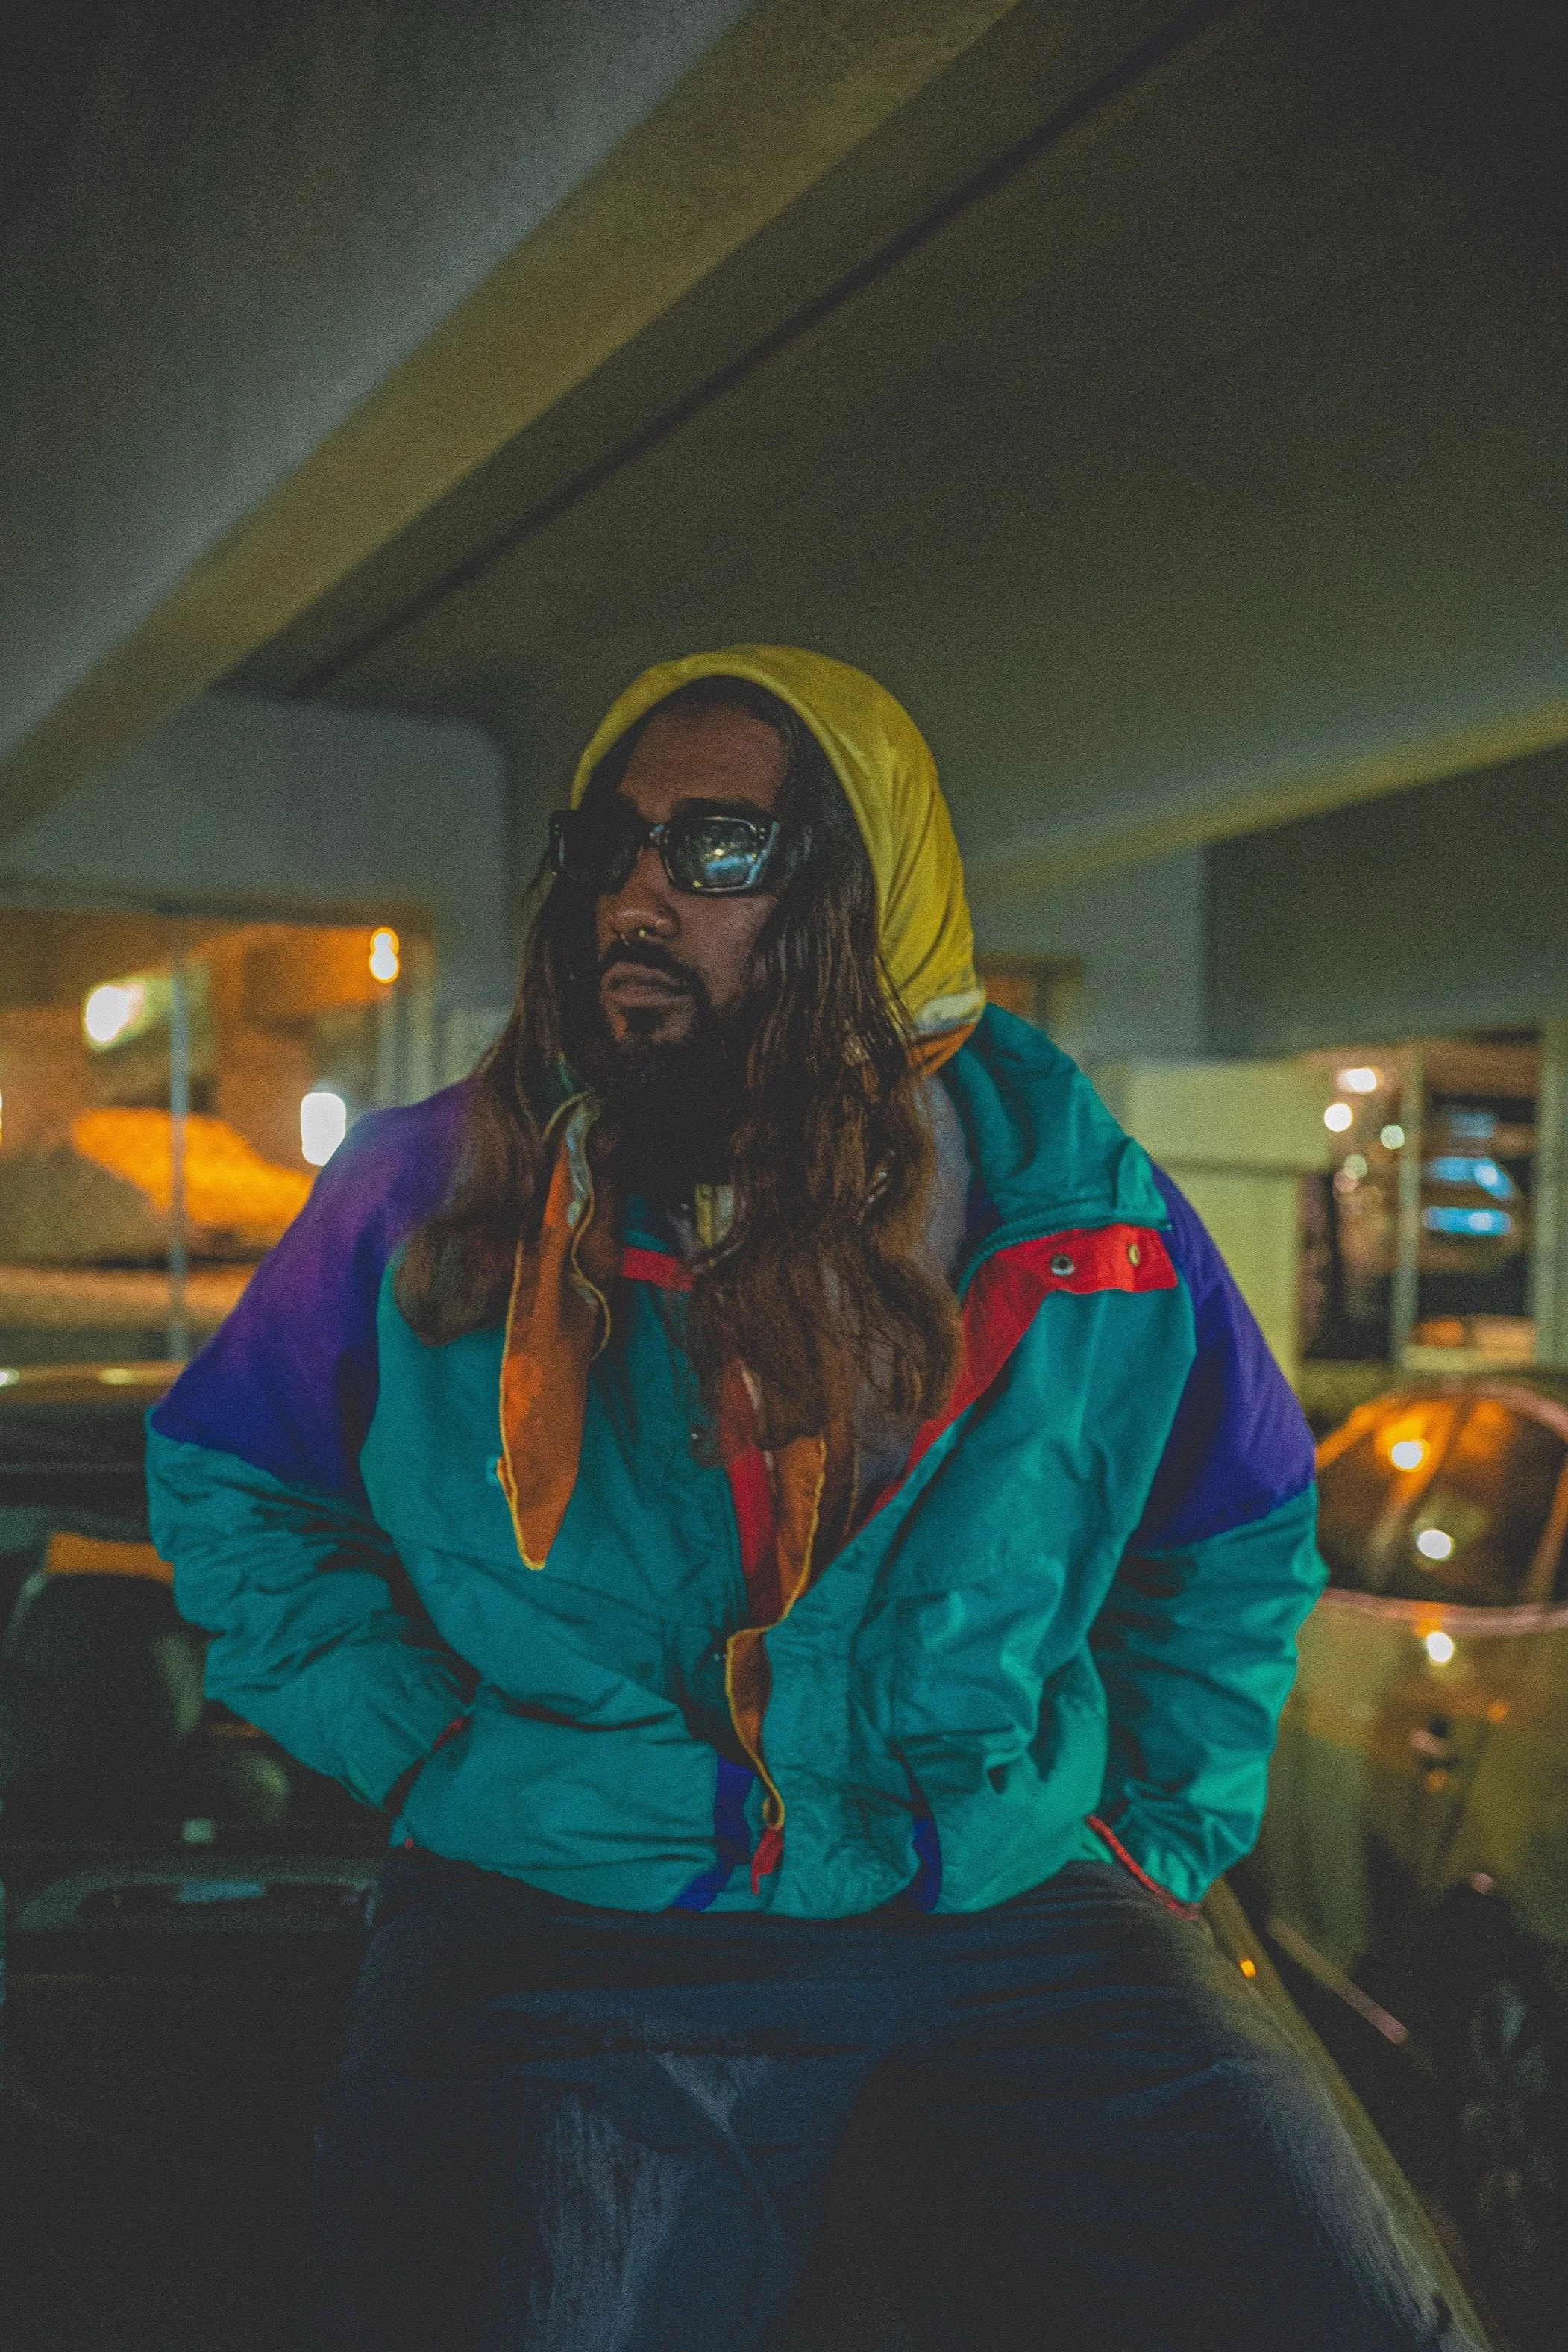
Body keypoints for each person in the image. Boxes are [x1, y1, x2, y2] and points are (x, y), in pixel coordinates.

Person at [146, 648, 1474, 2351]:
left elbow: (1234, 1534)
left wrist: (1150, 1826)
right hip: (588, 1900)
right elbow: (230, 1481)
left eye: (711, 853)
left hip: (998, 1889)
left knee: (1355, 2307)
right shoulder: (435, 1187)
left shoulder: (1089, 1212)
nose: (633, 896)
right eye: (610, 846)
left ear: (864, 902)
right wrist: (422, 1742)